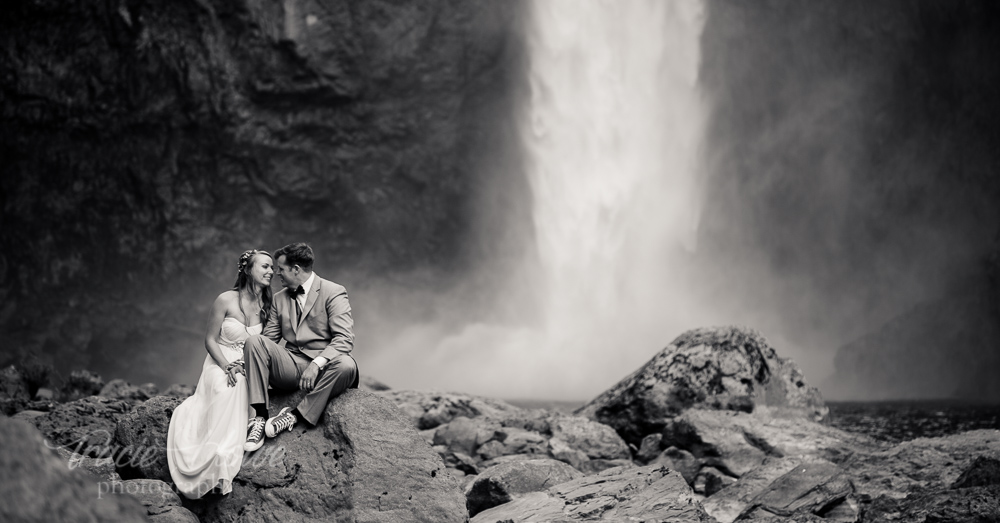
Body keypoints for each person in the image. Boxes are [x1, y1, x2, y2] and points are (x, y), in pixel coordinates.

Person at [166, 249, 274, 499]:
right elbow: (210, 341)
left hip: (249, 364)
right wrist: (226, 365)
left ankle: (224, 455)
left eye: (271, 268)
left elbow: (269, 344)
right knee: (231, 385)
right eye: (265, 267)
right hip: (220, 362)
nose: (271, 272)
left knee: (245, 382)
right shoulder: (225, 299)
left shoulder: (268, 305)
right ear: (248, 270)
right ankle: (215, 456)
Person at [243, 242, 358, 451]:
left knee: (347, 365)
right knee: (255, 341)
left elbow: (344, 338)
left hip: (324, 368)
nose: (276, 273)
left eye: (281, 269)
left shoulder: (334, 291)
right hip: (291, 365)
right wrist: (243, 361)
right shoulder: (279, 299)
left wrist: (316, 364)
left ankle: (294, 416)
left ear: (296, 269)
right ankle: (259, 418)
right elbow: (268, 340)